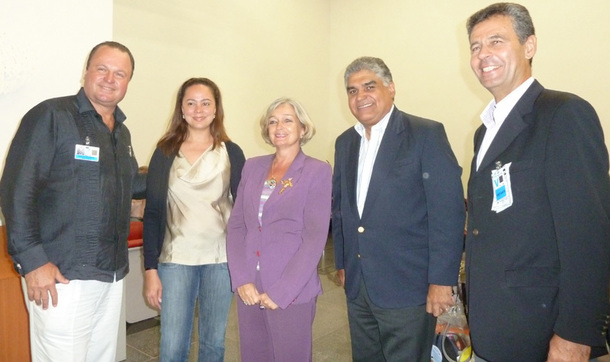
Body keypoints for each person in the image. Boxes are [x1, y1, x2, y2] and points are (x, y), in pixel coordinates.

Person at [465, 3, 610, 361]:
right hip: (494, 322)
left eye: (496, 41)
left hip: (542, 330)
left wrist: (575, 334)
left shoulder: (563, 114)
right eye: (475, 47)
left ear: (529, 46)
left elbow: (587, 235)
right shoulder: (484, 131)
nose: (483, 55)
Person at [0, 41, 145, 361]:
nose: (110, 78)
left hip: (110, 275)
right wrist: (33, 262)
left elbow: (129, 185)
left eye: (120, 73)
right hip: (61, 275)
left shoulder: (122, 134)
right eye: (102, 69)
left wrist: (180, 169)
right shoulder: (51, 116)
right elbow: (16, 189)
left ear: (128, 83)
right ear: (86, 72)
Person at [332, 56, 465, 362]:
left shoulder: (424, 134)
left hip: (409, 288)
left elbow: (448, 211)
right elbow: (341, 209)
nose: (360, 96)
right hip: (359, 284)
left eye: (369, 86)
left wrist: (442, 281)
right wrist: (342, 261)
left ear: (391, 88)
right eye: (352, 91)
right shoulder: (345, 143)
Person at [143, 77, 245, 362]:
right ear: (182, 109)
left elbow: (244, 212)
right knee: (173, 344)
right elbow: (152, 213)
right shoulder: (165, 152)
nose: (198, 109)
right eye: (191, 103)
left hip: (221, 261)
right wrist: (150, 270)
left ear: (216, 109)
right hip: (175, 261)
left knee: (213, 343)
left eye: (205, 103)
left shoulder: (231, 152)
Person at [226, 97, 331, 361]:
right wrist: (241, 279)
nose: (279, 126)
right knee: (254, 355)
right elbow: (237, 226)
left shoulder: (316, 171)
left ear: (302, 128)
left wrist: (282, 291)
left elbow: (314, 238)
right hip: (250, 285)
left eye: (287, 120)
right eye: (273, 121)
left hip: (290, 287)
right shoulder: (252, 166)